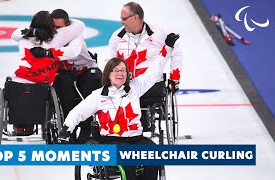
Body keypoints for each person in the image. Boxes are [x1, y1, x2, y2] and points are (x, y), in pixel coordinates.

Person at [57, 33, 180, 180]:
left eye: (123, 70)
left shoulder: (135, 87)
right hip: (110, 140)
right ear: (108, 74)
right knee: (126, 157)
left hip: (136, 139)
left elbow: (154, 71)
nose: (120, 73)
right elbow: (78, 112)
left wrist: (167, 48)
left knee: (152, 155)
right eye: (116, 70)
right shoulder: (98, 95)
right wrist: (66, 130)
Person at [108, 2, 183, 131]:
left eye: (124, 18)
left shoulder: (160, 32)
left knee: (140, 94)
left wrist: (174, 78)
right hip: (126, 83)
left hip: (151, 83)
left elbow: (176, 52)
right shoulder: (117, 36)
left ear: (135, 17)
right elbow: (109, 61)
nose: (121, 22)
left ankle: (142, 125)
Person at [9, 10, 85, 135]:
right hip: (44, 82)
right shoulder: (57, 38)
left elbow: (14, 35)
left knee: (17, 86)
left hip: (20, 81)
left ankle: (20, 123)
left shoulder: (23, 40)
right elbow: (79, 26)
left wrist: (31, 32)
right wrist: (49, 52)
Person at [50, 9, 102, 144]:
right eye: (54, 28)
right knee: (63, 85)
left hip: (85, 69)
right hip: (64, 72)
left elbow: (71, 53)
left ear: (68, 26)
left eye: (59, 28)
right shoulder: (49, 36)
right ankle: (69, 129)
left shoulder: (75, 35)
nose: (57, 31)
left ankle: (87, 129)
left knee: (94, 83)